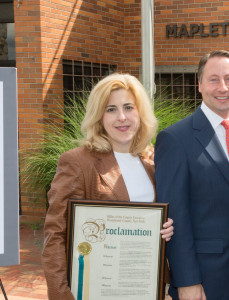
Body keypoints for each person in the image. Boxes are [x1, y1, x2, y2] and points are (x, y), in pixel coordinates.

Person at [42, 73, 174, 300]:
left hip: (145, 286)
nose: (121, 117)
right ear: (98, 116)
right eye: (110, 109)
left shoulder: (153, 159)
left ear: (140, 113)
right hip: (96, 290)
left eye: (129, 107)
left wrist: (165, 228)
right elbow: (55, 235)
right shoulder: (77, 162)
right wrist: (61, 294)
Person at [154, 50, 229, 300]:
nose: (223, 87)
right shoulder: (175, 139)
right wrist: (186, 280)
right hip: (204, 278)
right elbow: (175, 216)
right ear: (199, 85)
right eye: (213, 79)